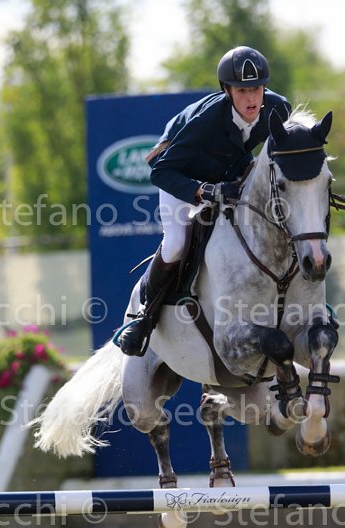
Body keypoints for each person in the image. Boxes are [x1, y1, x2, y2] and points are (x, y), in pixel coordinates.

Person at [118, 45, 291, 356]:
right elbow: (161, 172)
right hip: (182, 177)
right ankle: (144, 316)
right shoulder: (207, 120)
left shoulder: (279, 109)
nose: (251, 98)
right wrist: (204, 191)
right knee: (175, 244)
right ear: (227, 90)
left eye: (256, 89)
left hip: (229, 170)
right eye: (242, 90)